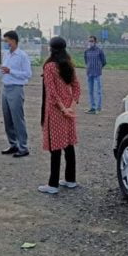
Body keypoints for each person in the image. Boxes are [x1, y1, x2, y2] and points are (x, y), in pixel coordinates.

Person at [39, 37, 81, 194]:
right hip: (69, 111)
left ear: (51, 48)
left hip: (56, 111)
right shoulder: (69, 64)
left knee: (55, 146)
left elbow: (51, 91)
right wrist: (71, 106)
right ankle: (71, 179)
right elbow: (76, 87)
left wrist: (63, 108)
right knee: (69, 145)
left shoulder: (49, 66)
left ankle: (53, 184)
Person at [0, 30, 32, 158]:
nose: (6, 44)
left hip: (16, 88)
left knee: (17, 118)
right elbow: (5, 70)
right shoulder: (7, 54)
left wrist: (11, 71)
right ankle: (13, 144)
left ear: (13, 40)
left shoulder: (22, 56)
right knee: (7, 118)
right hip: (5, 87)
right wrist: (0, 71)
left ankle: (23, 146)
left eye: (7, 41)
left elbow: (27, 74)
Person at [83, 35, 106, 114]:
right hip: (89, 73)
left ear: (95, 42)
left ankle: (98, 107)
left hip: (97, 73)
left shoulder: (99, 51)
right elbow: (86, 61)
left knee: (98, 91)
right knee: (90, 91)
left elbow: (104, 61)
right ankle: (92, 107)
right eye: (89, 41)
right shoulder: (86, 51)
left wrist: (99, 67)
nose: (90, 42)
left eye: (92, 41)